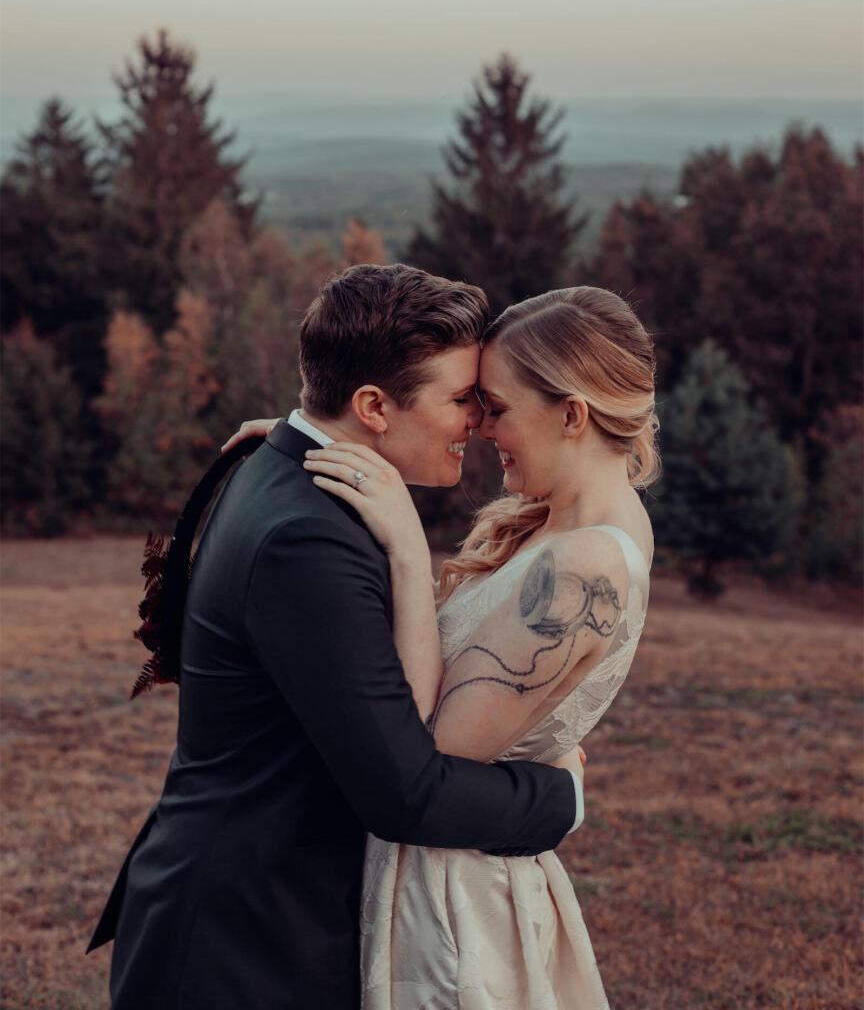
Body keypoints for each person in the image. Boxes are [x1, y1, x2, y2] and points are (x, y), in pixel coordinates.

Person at [87, 264, 584, 1010]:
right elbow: (405, 793)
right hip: (241, 948)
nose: (477, 423)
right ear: (373, 406)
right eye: (459, 400)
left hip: (253, 921)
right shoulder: (306, 541)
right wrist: (559, 796)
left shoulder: (283, 465)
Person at [290, 285, 658, 1008]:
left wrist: (404, 545)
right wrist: (307, 432)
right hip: (427, 872)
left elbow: (427, 755)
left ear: (572, 414)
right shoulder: (552, 525)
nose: (483, 428)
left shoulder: (586, 565)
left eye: (497, 407)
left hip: (457, 905)